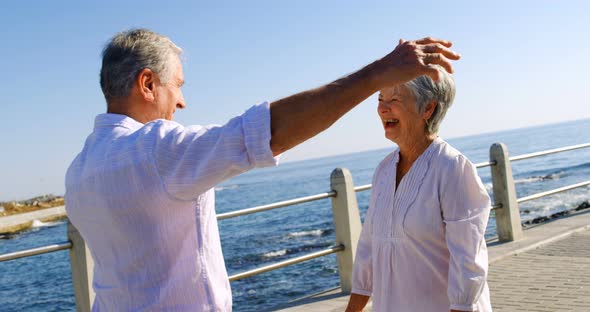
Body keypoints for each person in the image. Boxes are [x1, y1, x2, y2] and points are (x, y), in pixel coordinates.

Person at [65, 29, 460, 311]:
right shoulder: (155, 149)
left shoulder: (79, 170)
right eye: (178, 85)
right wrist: (378, 73)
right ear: (147, 84)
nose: (182, 102)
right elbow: (267, 132)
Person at [344, 66, 491, 312]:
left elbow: (468, 263)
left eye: (394, 99)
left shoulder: (453, 168)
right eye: (380, 99)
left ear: (428, 108)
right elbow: (368, 248)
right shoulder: (383, 170)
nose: (382, 108)